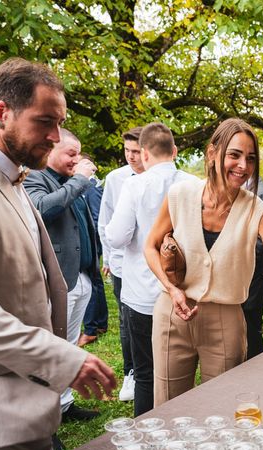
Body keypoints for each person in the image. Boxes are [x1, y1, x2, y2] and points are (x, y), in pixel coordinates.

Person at [0, 57, 115, 450]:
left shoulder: (11, 175)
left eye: (59, 123)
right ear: (1, 112)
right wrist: (62, 358)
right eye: (45, 122)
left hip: (26, 398)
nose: (55, 137)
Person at [145, 118, 263, 406]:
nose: (243, 166)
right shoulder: (180, 195)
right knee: (168, 407)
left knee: (222, 410)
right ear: (212, 154)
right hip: (173, 313)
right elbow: (150, 246)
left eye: (250, 158)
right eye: (234, 155)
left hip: (226, 320)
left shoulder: (256, 210)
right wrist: (171, 289)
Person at [106, 122, 196, 416]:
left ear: (144, 154)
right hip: (185, 293)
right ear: (175, 151)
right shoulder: (195, 184)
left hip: (143, 296)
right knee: (182, 371)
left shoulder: (134, 185)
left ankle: (147, 433)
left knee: (145, 373)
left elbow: (117, 237)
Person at [24, 128, 102, 422]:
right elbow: (41, 210)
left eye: (79, 154)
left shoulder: (72, 181)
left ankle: (64, 405)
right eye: (71, 153)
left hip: (80, 276)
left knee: (68, 345)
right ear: (51, 150)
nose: (77, 160)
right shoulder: (34, 177)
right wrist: (80, 180)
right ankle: (45, 418)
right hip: (56, 279)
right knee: (50, 349)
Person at [98, 126, 144, 402]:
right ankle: (131, 373)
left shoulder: (157, 177)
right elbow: (106, 220)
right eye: (127, 151)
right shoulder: (115, 179)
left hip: (151, 263)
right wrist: (108, 256)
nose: (131, 157)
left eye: (136, 152)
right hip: (121, 263)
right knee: (127, 320)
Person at [241, 177, 263, 359]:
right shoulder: (245, 190)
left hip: (252, 280)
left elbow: (260, 245)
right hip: (244, 279)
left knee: (252, 334)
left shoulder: (260, 194)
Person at [80, 154, 109, 346]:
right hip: (91, 242)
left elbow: (98, 217)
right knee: (96, 282)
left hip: (92, 241)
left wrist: (95, 245)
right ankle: (100, 323)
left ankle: (91, 329)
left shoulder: (91, 187)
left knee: (92, 282)